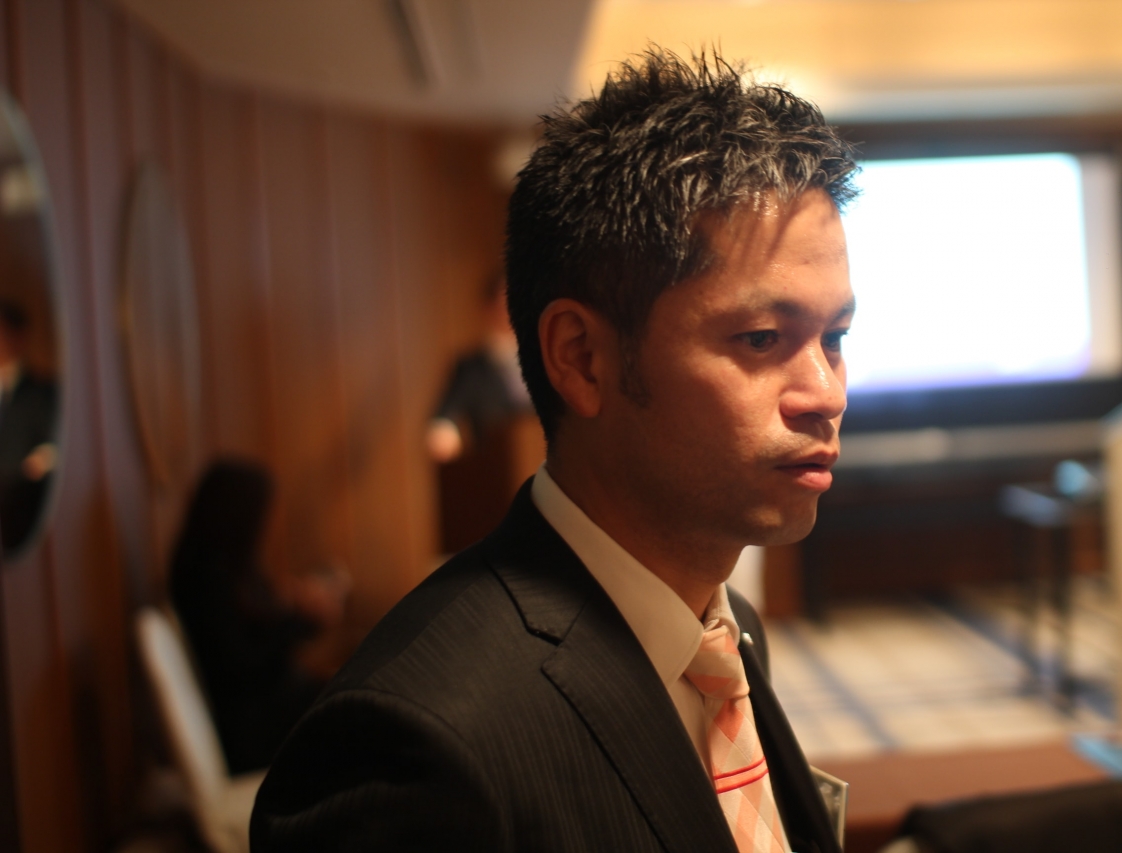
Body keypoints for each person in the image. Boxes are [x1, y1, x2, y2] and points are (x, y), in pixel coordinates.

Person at [251, 47, 858, 853]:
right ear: (582, 358)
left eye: (835, 337)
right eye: (761, 337)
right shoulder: (415, 747)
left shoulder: (723, 627)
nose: (826, 393)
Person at [170, 459, 350, 774]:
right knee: (359, 706)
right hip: (255, 732)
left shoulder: (231, 565)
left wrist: (300, 612)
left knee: (357, 690)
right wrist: (303, 621)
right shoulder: (204, 577)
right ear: (236, 515)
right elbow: (240, 666)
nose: (267, 523)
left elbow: (259, 635)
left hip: (271, 707)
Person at [424, 272, 532, 463]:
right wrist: (443, 435)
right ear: (490, 307)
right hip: (495, 467)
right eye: (505, 303)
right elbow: (445, 419)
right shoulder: (471, 368)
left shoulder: (544, 359)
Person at [0, 300, 57, 554]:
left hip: (22, 509)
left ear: (18, 337)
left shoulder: (43, 393)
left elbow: (55, 449)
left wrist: (37, 463)